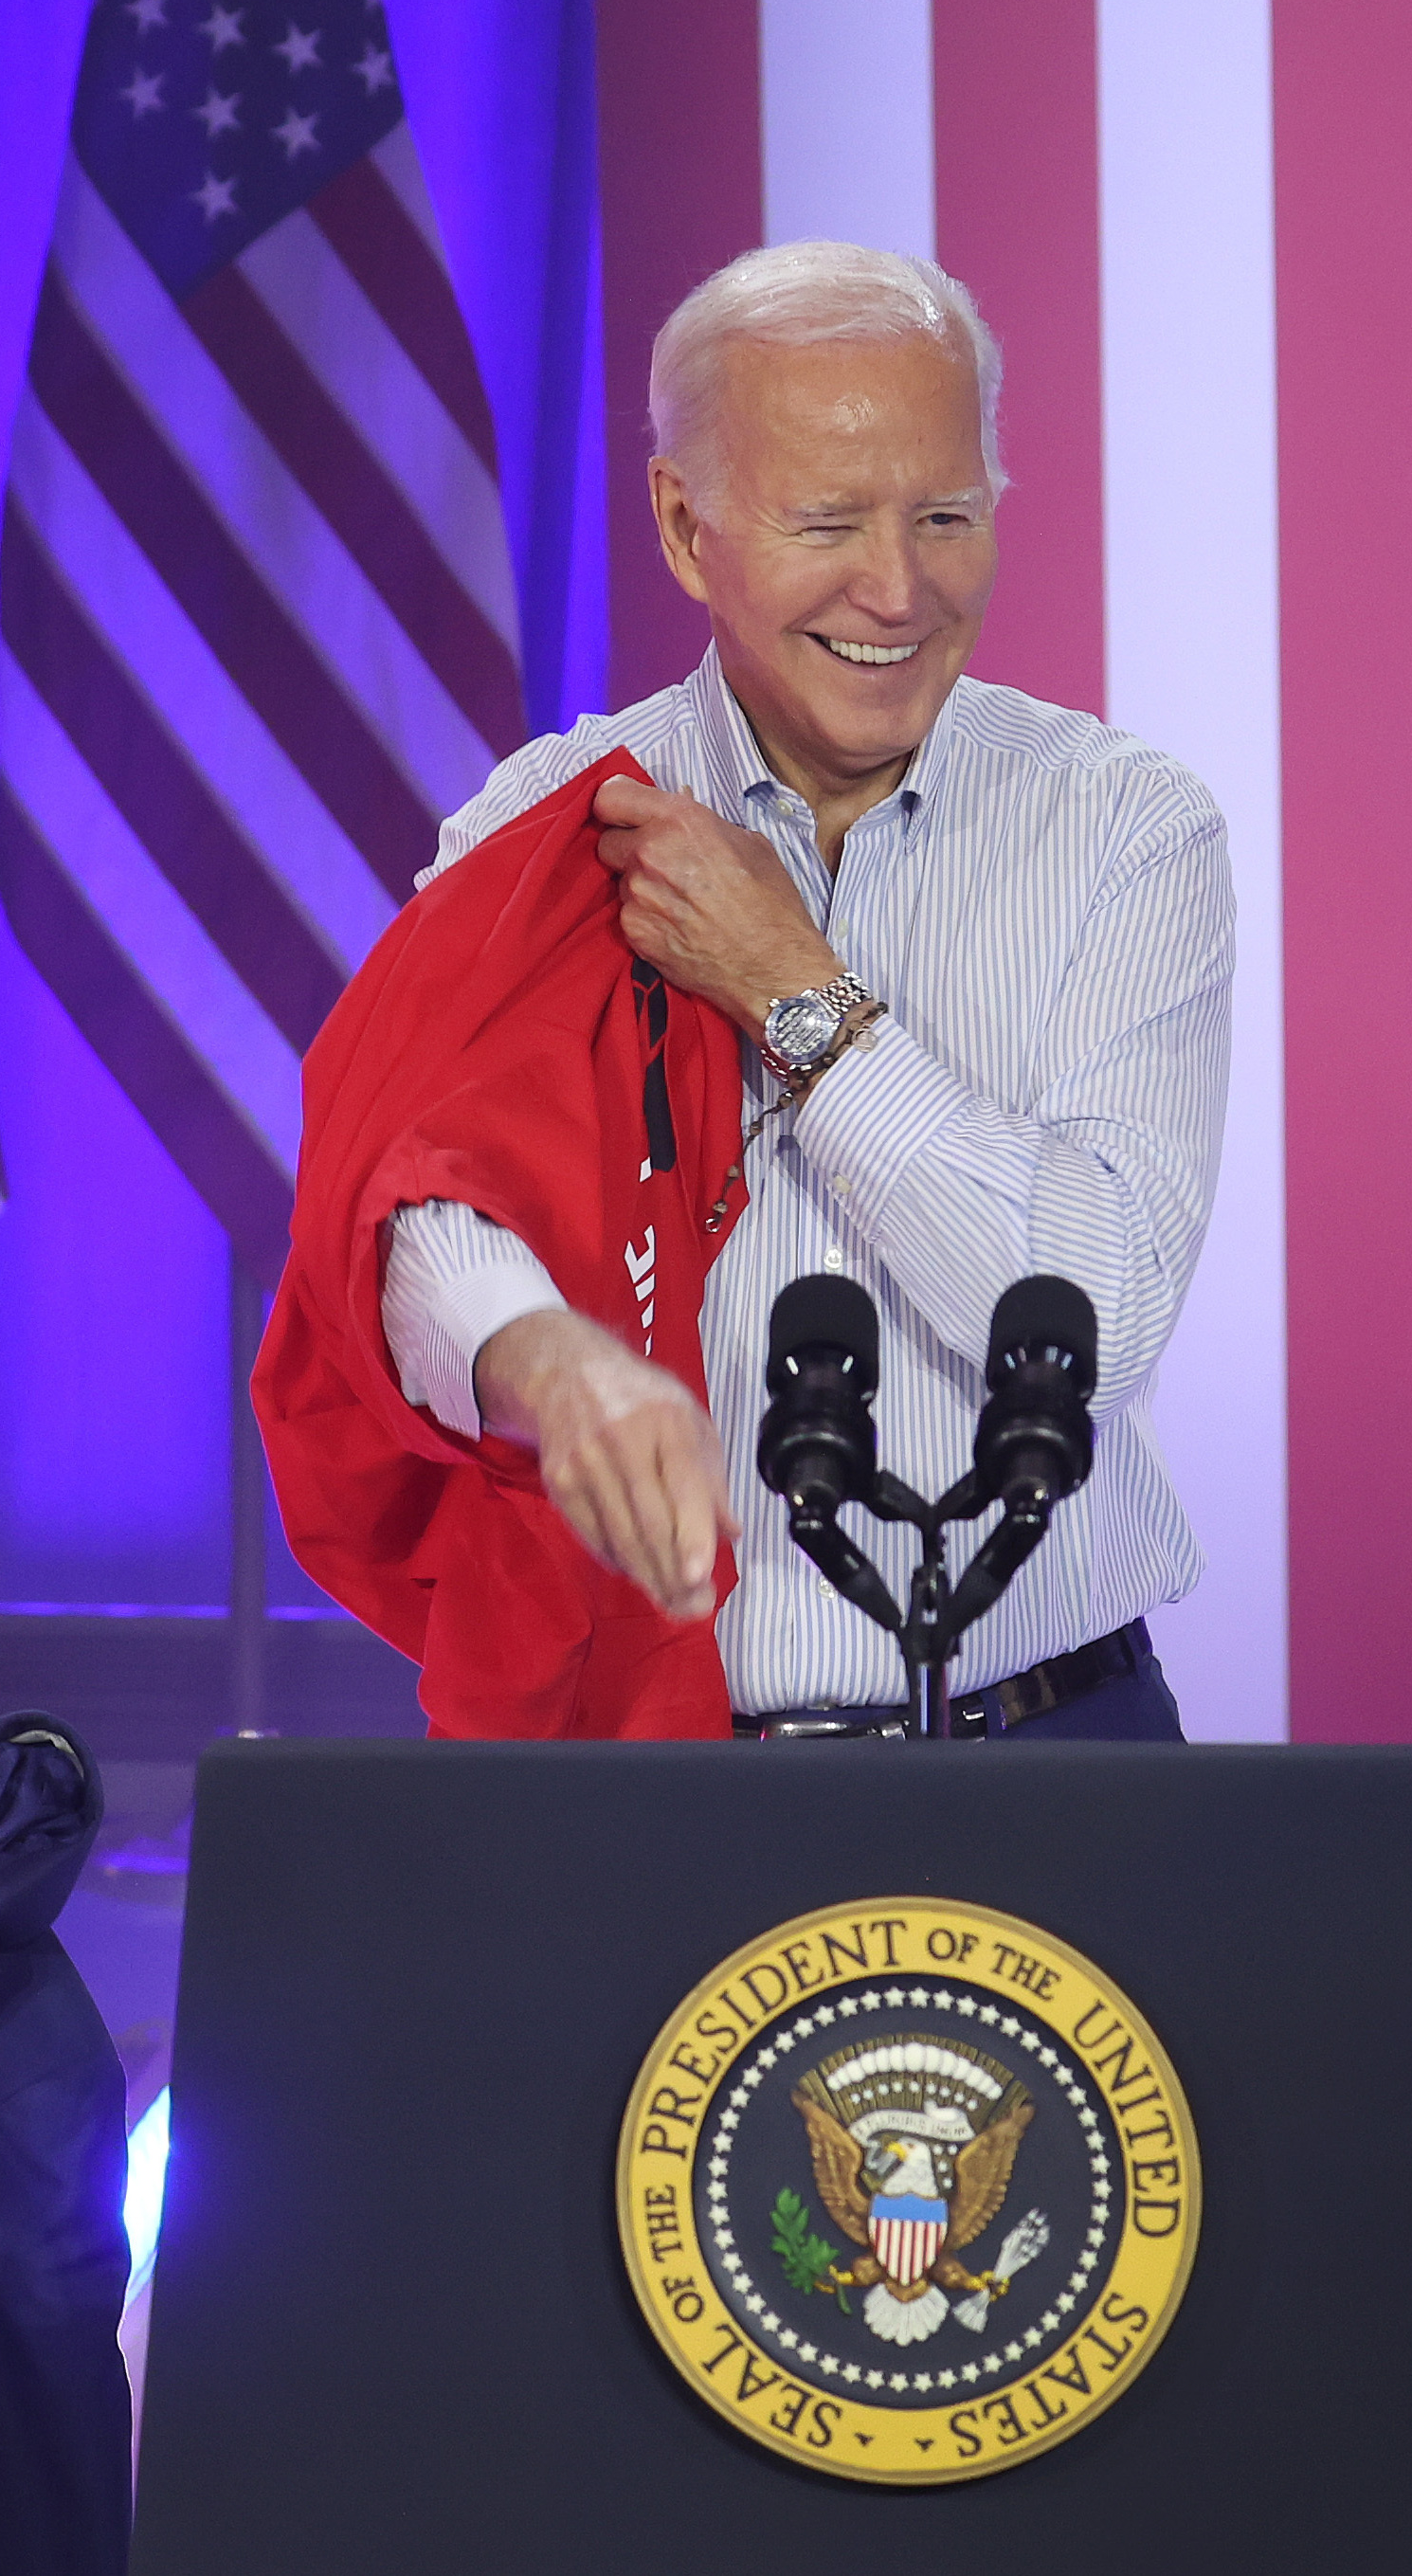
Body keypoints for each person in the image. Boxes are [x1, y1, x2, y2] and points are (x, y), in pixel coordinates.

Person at [380, 242, 1235, 1738]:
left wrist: (795, 995)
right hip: (655, 1774)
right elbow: (417, 1223)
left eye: (947, 517)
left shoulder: (1128, 830)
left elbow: (1096, 1314)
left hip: (1050, 1745)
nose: (896, 589)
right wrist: (540, 1354)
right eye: (827, 521)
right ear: (680, 522)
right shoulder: (543, 823)